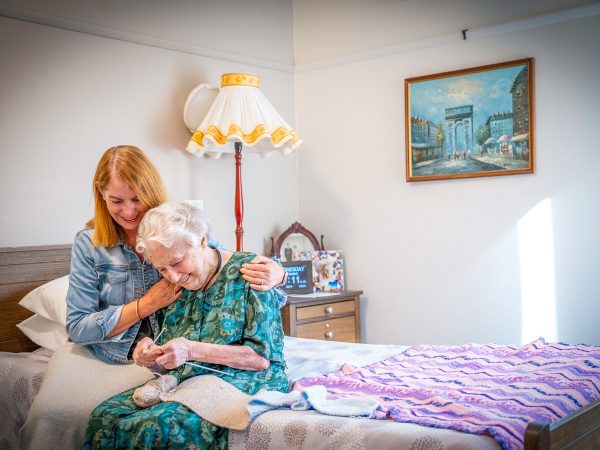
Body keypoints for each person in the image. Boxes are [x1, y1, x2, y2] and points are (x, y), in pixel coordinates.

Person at [83, 201, 288, 449]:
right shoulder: (168, 286)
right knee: (104, 416)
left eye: (177, 262)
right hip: (187, 380)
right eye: (161, 268)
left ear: (202, 241)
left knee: (160, 425)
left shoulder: (251, 272)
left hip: (246, 379)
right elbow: (166, 350)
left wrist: (191, 350)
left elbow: (261, 359)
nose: (173, 276)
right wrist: (150, 354)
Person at [66, 145, 287, 365]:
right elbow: (78, 327)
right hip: (116, 354)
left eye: (136, 199)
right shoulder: (88, 244)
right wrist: (146, 305)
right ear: (101, 192)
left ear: (150, 191)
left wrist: (279, 273)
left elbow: (225, 265)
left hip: (178, 352)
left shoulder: (175, 227)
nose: (128, 211)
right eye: (117, 201)